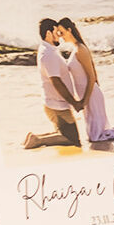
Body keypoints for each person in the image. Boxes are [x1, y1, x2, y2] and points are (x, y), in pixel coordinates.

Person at [57, 18, 114, 143]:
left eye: (61, 32)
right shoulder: (75, 49)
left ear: (69, 30)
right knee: (95, 134)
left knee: (96, 136)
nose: (60, 36)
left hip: (90, 95)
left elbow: (91, 76)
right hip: (87, 95)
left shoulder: (80, 49)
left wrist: (85, 101)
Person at [23, 18, 84, 149]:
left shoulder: (48, 50)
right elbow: (56, 81)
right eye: (57, 32)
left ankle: (34, 137)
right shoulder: (49, 54)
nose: (60, 37)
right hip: (58, 107)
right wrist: (74, 102)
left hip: (55, 104)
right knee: (73, 140)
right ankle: (37, 140)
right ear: (48, 33)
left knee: (64, 134)